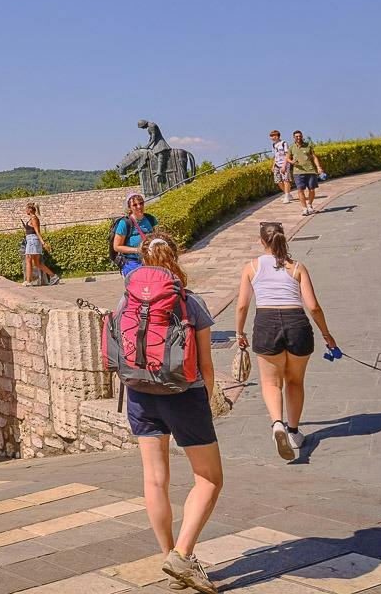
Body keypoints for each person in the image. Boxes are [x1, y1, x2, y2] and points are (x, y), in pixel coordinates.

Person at [121, 236, 225, 594]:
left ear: (142, 260)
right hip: (183, 394)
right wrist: (206, 400)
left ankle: (169, 558)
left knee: (154, 480)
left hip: (139, 392)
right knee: (209, 478)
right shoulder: (190, 303)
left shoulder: (127, 299)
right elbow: (206, 365)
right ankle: (181, 555)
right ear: (175, 259)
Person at [234, 223, 338, 462]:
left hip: (266, 324)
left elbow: (242, 305)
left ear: (262, 241)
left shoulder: (251, 267)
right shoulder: (298, 267)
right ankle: (293, 432)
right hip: (297, 324)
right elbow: (313, 307)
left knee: (271, 383)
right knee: (294, 381)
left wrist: (239, 333)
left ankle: (277, 425)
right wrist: (326, 334)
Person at [112, 193, 156, 277]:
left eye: (141, 203)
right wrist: (137, 250)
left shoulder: (151, 219)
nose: (139, 207)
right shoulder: (124, 223)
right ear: (129, 207)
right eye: (135, 205)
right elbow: (117, 247)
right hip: (132, 263)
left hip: (151, 260)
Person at [287, 131, 325, 216]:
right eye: (296, 136)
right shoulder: (291, 147)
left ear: (302, 136)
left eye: (300, 136)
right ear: (294, 137)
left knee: (312, 189)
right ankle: (304, 209)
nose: (298, 138)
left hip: (310, 171)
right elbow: (288, 158)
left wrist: (319, 167)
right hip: (298, 172)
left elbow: (314, 157)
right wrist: (292, 162)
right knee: (300, 190)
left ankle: (310, 205)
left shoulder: (308, 145)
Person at [22, 202, 59, 287]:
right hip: (31, 240)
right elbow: (32, 229)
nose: (25, 210)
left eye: (26, 209)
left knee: (28, 260)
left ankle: (28, 281)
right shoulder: (32, 219)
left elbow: (37, 232)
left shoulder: (34, 218)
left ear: (30, 209)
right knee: (37, 263)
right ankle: (54, 277)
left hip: (32, 241)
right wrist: (26, 227)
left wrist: (43, 243)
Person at [268, 130, 293, 204]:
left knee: (286, 180)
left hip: (284, 164)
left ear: (277, 136)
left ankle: (287, 196)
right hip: (277, 164)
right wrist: (273, 165)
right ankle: (287, 194)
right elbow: (275, 156)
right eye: (271, 136)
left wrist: (284, 165)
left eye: (273, 136)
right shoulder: (274, 145)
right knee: (278, 181)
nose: (272, 138)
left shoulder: (284, 143)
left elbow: (287, 155)